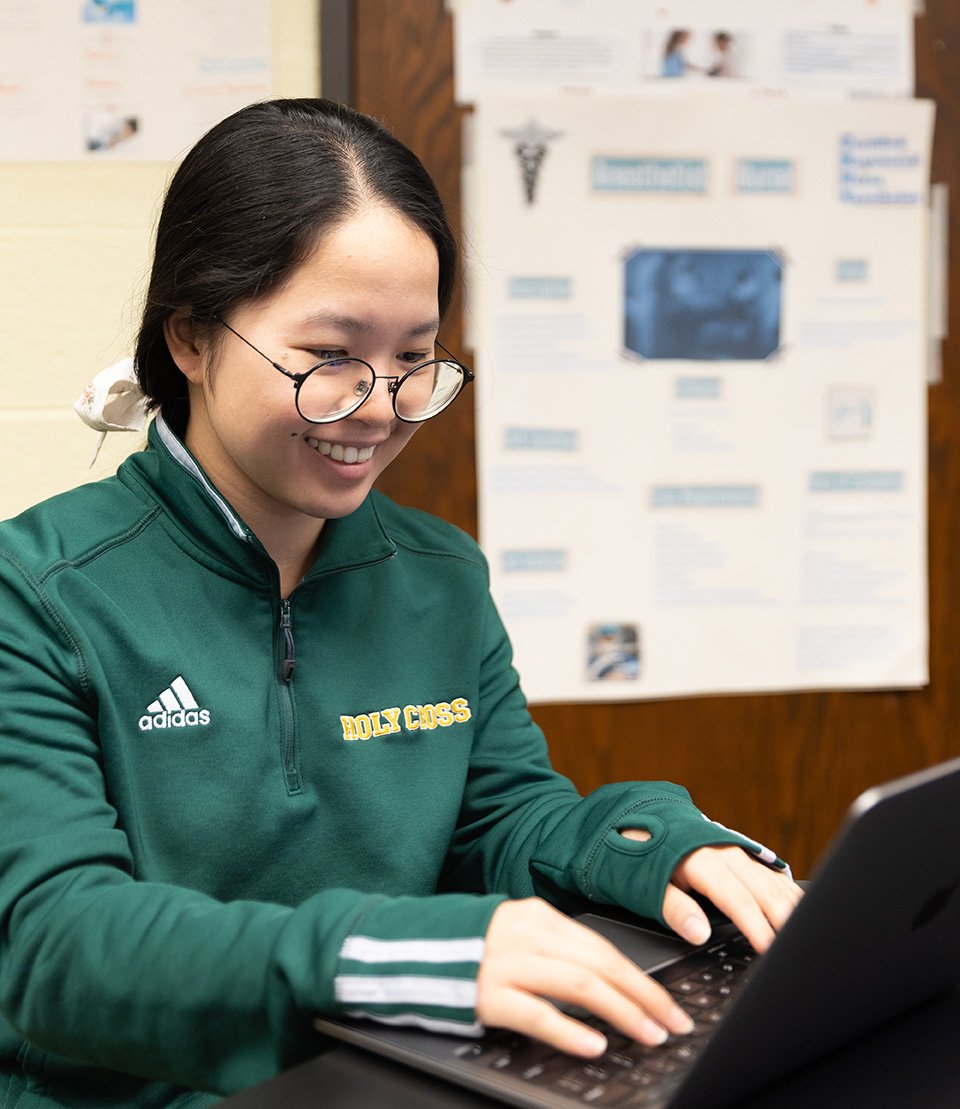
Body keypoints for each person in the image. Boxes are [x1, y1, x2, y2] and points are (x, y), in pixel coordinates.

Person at [0, 98, 802, 1107]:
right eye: (330, 355)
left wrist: (645, 845)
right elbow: (55, 944)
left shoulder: (437, 574)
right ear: (193, 339)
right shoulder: (36, 590)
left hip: (393, 1083)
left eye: (415, 357)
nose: (379, 405)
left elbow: (500, 822)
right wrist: (408, 953)